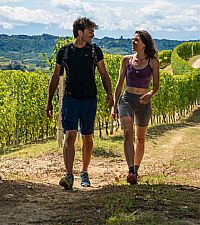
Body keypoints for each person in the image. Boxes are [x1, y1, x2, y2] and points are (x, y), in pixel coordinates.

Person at [46, 17, 113, 190]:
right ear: (80, 32)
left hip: (89, 99)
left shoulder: (94, 51)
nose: (93, 35)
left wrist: (109, 94)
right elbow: (55, 77)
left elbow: (104, 75)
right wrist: (49, 102)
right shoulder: (65, 52)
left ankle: (84, 171)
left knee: (88, 137)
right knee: (70, 134)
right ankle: (69, 175)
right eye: (90, 31)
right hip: (70, 99)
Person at [111, 30, 160, 185]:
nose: (133, 42)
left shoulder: (153, 62)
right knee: (127, 132)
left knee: (140, 139)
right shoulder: (126, 60)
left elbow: (157, 86)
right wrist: (114, 105)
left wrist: (150, 94)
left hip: (144, 102)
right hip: (127, 99)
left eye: (136, 40)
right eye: (132, 40)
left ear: (144, 43)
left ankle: (136, 170)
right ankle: (131, 170)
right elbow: (119, 85)